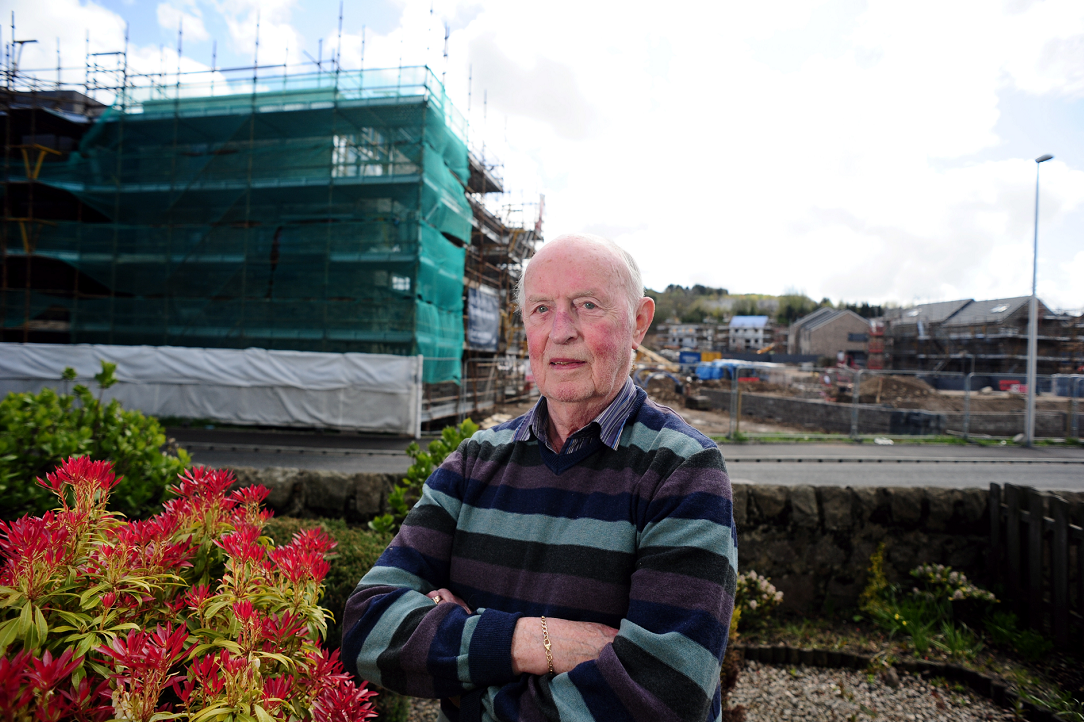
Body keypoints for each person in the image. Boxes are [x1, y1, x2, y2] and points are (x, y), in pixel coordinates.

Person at [342, 233, 737, 722]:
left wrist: (466, 683)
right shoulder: (474, 460)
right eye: (541, 309)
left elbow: (664, 694)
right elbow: (368, 628)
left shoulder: (681, 470)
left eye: (587, 306)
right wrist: (536, 641)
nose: (561, 331)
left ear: (638, 323)